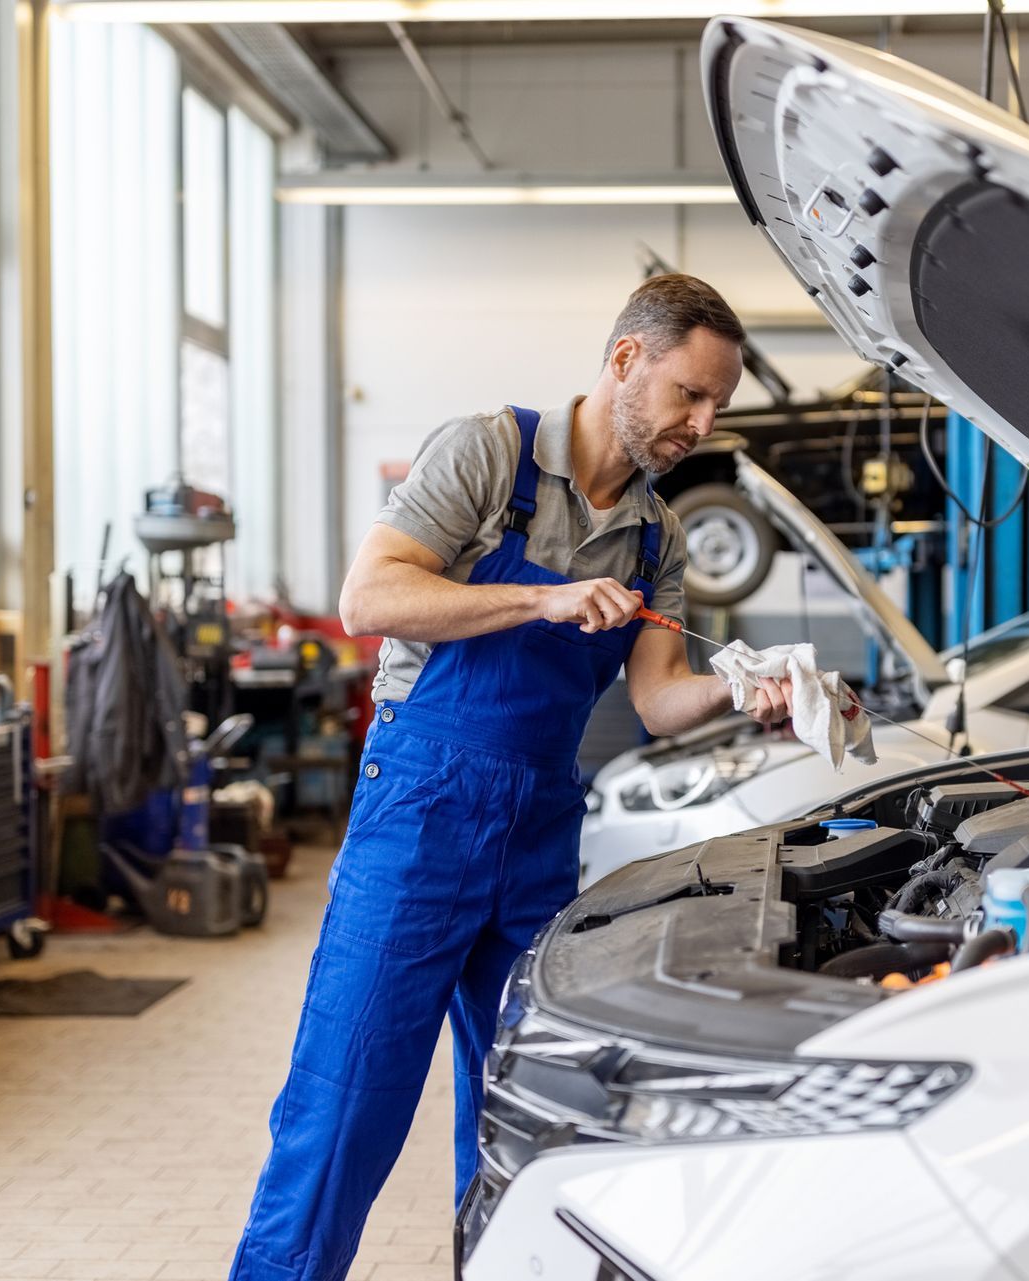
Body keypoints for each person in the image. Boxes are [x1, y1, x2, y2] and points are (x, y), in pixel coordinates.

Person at [230, 275, 793, 1280]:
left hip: (538, 824)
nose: (701, 425)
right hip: (422, 809)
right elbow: (371, 596)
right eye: (688, 397)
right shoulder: (488, 453)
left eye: (718, 406)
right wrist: (543, 602)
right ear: (626, 360)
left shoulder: (658, 535)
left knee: (525, 1109)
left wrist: (743, 689)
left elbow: (660, 699)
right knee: (346, 1096)